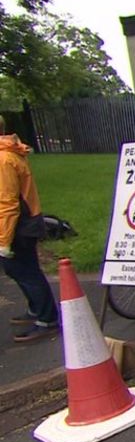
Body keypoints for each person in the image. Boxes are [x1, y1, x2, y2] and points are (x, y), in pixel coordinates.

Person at [0, 114, 58, 342]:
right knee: (21, 269)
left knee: (24, 271)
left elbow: (7, 203)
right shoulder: (9, 153)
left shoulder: (4, 160)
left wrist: (4, 241)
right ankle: (37, 309)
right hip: (24, 222)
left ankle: (47, 318)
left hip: (18, 225)